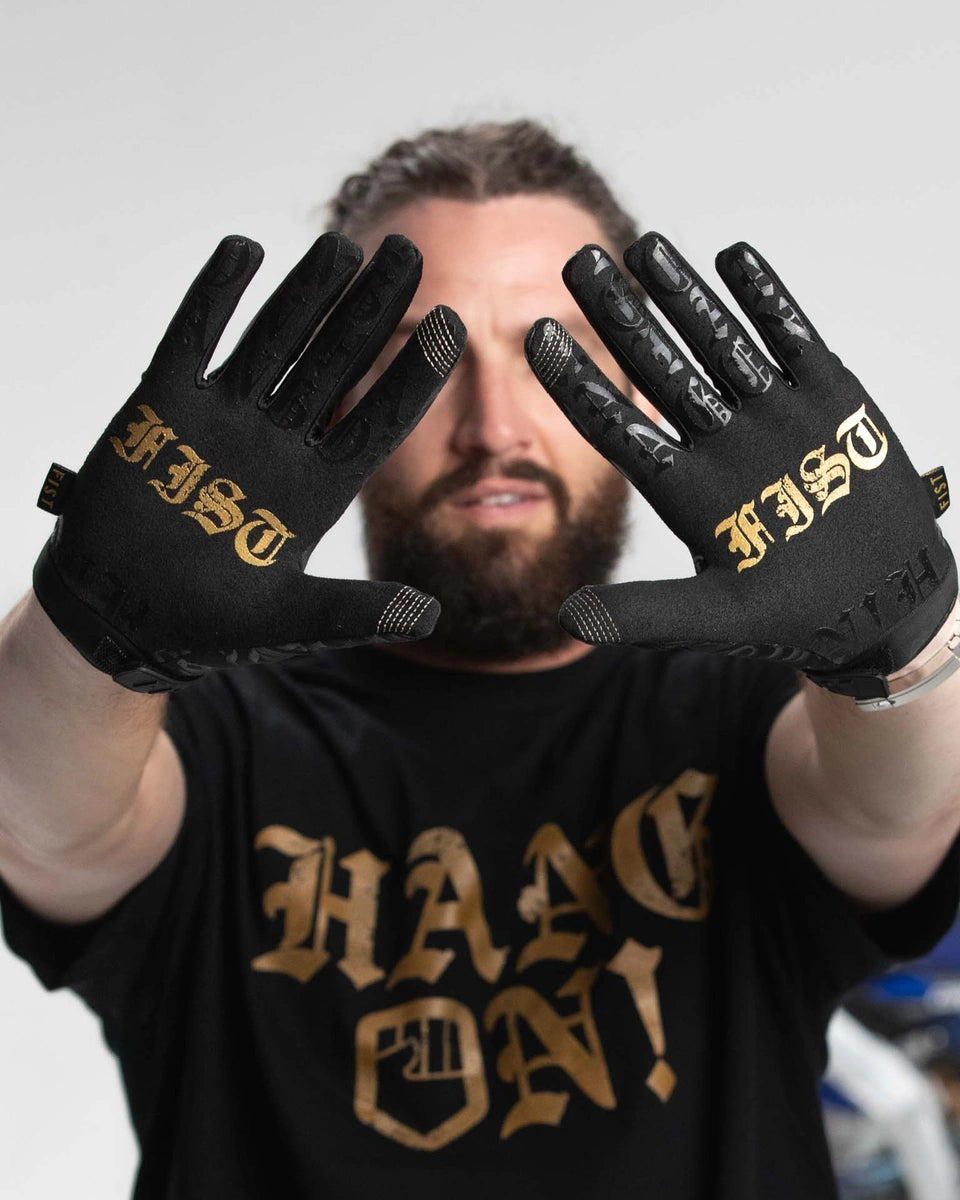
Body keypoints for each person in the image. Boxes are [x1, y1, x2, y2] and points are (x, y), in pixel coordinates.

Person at [1, 120, 959, 1199]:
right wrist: (93, 619)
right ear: (335, 392)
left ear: (640, 384)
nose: (493, 428)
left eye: (559, 355)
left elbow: (900, 814)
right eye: (427, 358)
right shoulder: (202, 730)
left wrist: (901, 633)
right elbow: (39, 818)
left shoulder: (756, 716)